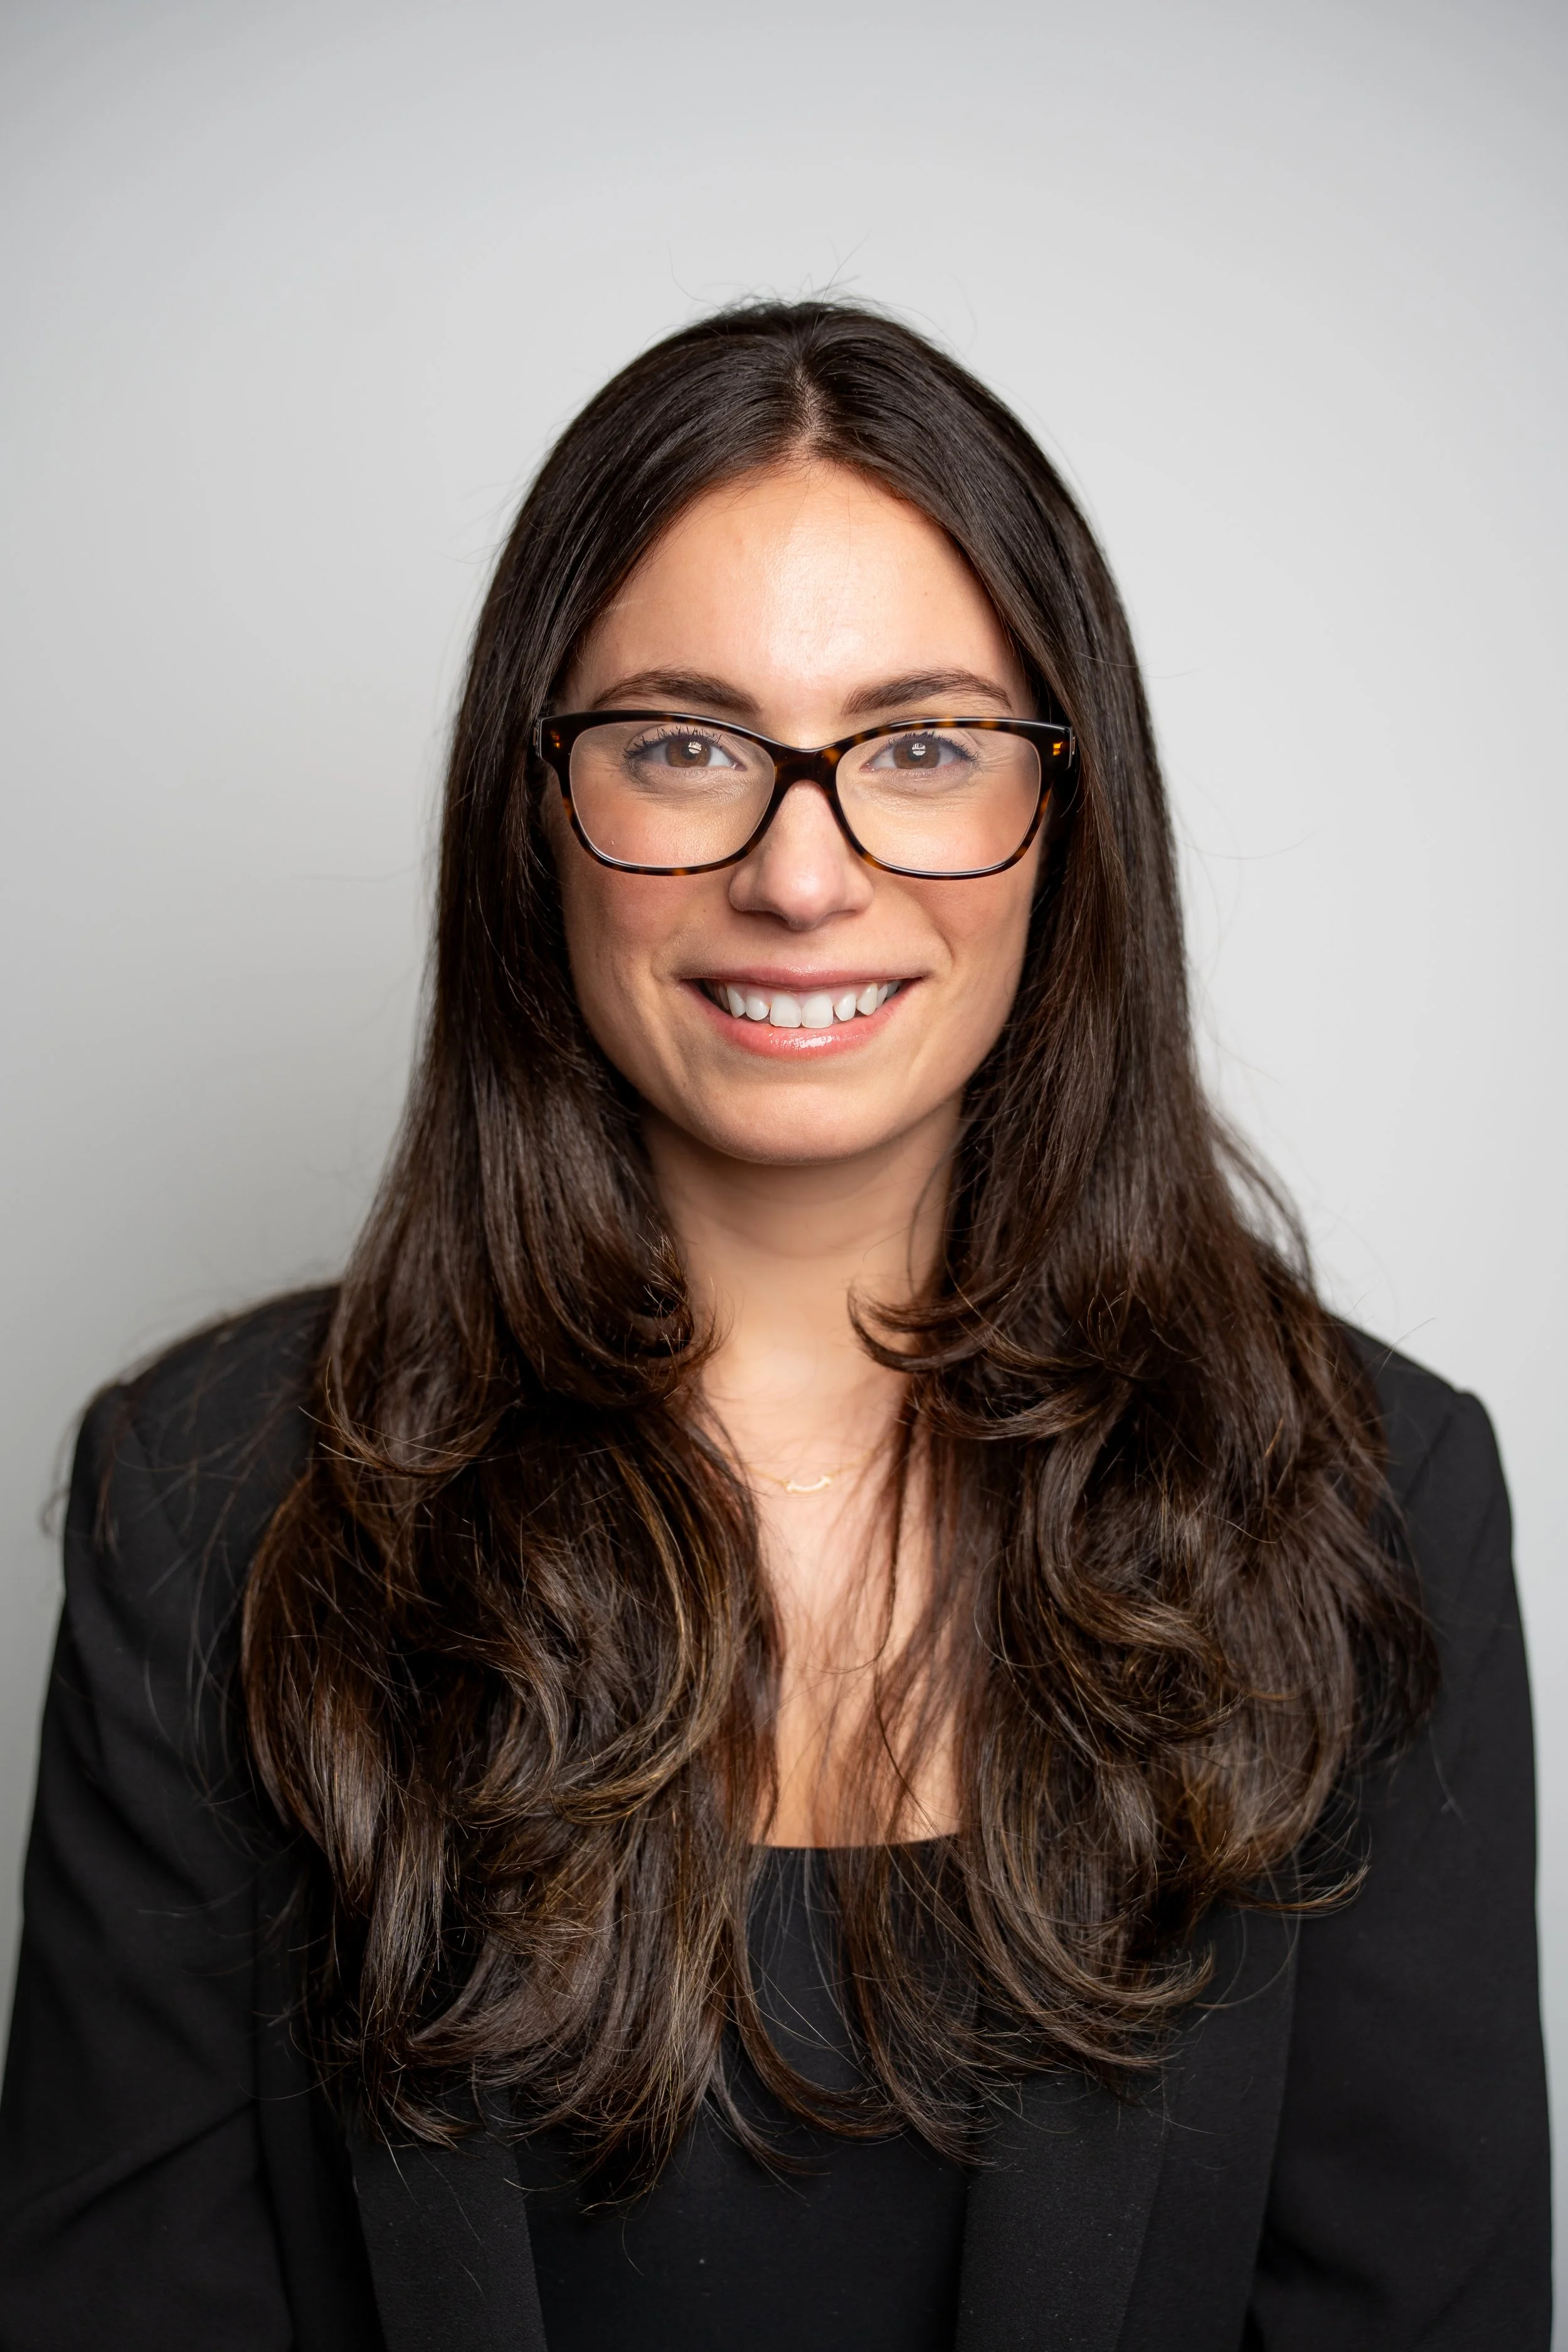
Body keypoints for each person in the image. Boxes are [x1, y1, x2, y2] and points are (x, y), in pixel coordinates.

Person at [0, 301, 1550, 2352]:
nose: (801, 872)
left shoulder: (1362, 1495)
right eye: (679, 743)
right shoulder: (207, 1504)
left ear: (1066, 814)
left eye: (919, 747)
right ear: (533, 808)